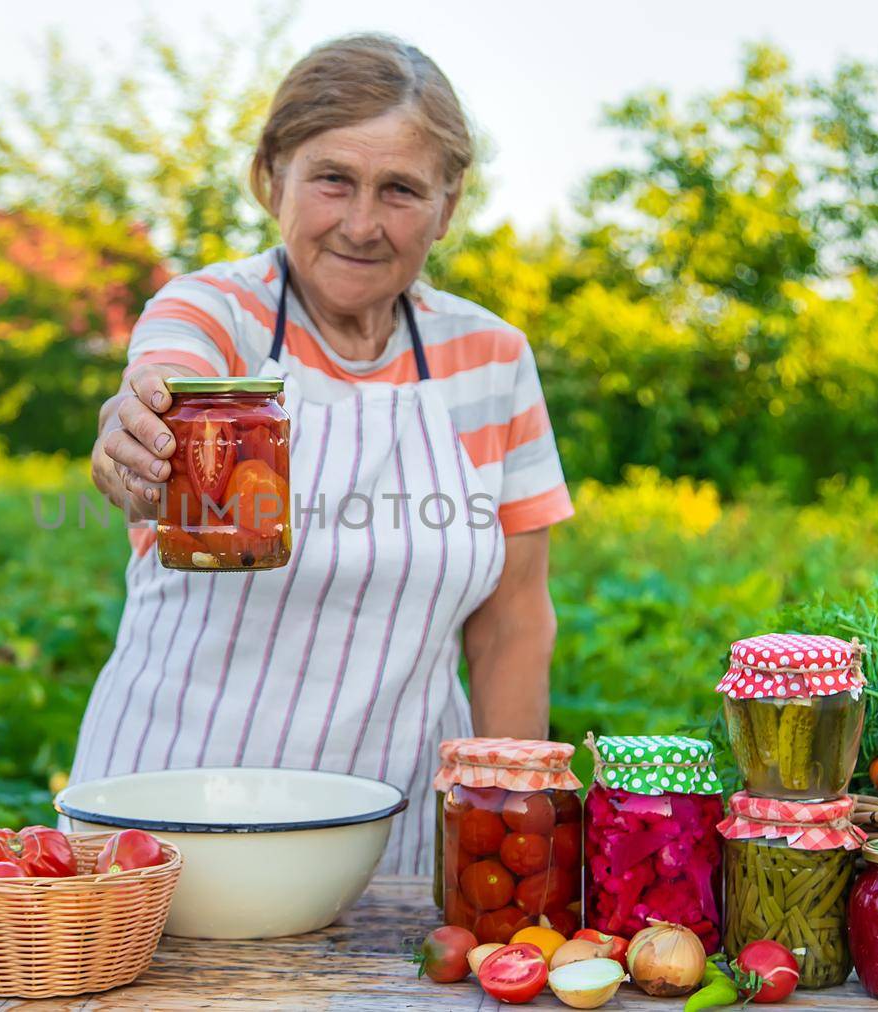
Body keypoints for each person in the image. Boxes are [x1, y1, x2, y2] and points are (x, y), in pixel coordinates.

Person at [73, 33, 573, 874]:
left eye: (402, 190)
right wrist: (137, 434)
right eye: (333, 178)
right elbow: (159, 382)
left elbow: (514, 622)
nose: (362, 223)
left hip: (393, 835)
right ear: (274, 178)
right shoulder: (213, 313)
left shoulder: (491, 358)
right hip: (166, 816)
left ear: (448, 207)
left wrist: (513, 839)